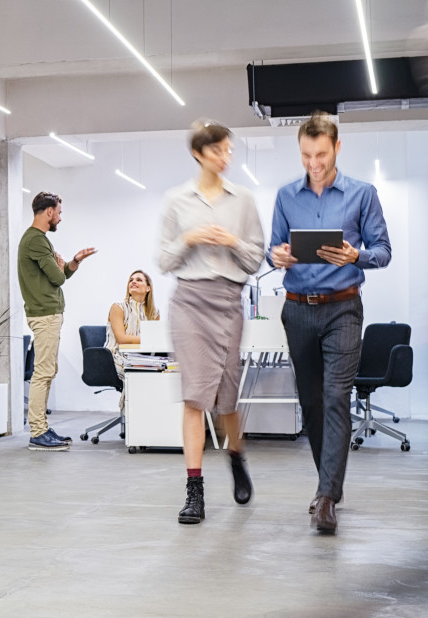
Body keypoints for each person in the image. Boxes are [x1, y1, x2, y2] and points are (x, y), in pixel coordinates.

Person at [268, 112, 391, 534]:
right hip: (298, 308)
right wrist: (278, 256)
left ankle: (325, 497)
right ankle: (329, 486)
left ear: (337, 148)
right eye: (306, 155)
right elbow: (273, 248)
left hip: (343, 307)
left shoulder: (363, 194)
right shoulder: (286, 196)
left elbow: (383, 251)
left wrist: (356, 255)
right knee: (312, 402)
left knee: (337, 396)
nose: (314, 163)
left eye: (320, 154)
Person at [157, 119, 265, 525]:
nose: (226, 157)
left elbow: (255, 259)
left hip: (228, 301)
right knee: (194, 396)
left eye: (229, 150)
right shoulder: (176, 201)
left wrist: (231, 241)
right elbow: (164, 261)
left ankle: (236, 456)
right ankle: (194, 489)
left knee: (226, 399)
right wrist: (189, 239)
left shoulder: (244, 200)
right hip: (189, 300)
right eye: (219, 150)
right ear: (199, 154)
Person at [17, 191, 96, 451]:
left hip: (48, 313)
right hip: (44, 314)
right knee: (43, 373)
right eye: (59, 213)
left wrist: (72, 262)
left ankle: (42, 428)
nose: (60, 218)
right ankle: (37, 432)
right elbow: (58, 278)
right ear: (49, 212)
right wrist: (59, 266)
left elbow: (60, 274)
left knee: (48, 372)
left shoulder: (38, 241)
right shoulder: (36, 241)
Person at [104, 270, 160, 411]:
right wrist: (148, 339)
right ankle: (133, 416)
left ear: (148, 288)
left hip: (143, 357)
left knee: (163, 371)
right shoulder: (118, 307)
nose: (133, 282)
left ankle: (152, 414)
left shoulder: (154, 312)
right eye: (131, 280)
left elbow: (157, 340)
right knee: (137, 374)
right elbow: (122, 339)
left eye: (139, 280)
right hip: (116, 356)